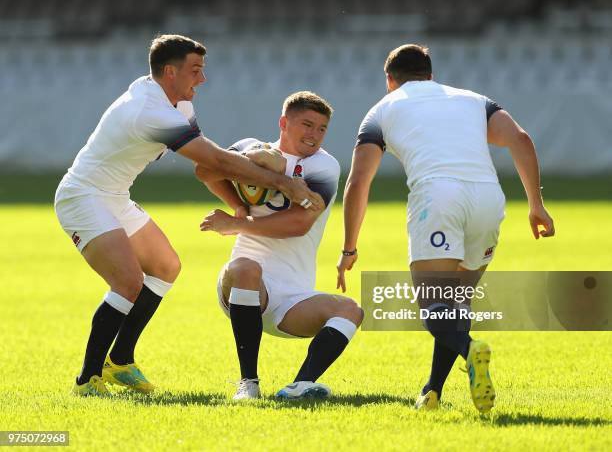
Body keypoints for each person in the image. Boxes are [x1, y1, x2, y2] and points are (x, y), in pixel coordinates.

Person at [54, 34, 321, 397]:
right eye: (195, 71)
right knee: (128, 282)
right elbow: (216, 161)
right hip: (82, 197)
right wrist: (286, 184)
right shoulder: (151, 110)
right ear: (169, 72)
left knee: (166, 266)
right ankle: (87, 380)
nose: (203, 79)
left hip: (114, 195)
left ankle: (119, 361)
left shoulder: (174, 103)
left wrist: (241, 200)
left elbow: (209, 164)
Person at [336, 44, 555, 413]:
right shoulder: (474, 100)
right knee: (456, 301)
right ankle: (432, 392)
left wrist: (349, 248)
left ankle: (471, 349)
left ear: (390, 80)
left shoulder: (382, 109)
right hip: (488, 198)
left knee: (433, 304)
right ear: (430, 74)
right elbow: (521, 139)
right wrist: (536, 204)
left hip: (438, 197)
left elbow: (358, 182)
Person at [198, 91, 363, 400]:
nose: (314, 135)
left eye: (322, 129)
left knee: (351, 309)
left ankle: (299, 386)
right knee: (247, 266)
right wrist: (240, 198)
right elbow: (205, 170)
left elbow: (299, 224)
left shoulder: (323, 167)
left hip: (293, 299)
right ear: (283, 122)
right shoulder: (251, 147)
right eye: (307, 124)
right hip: (243, 288)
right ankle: (248, 384)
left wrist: (236, 224)